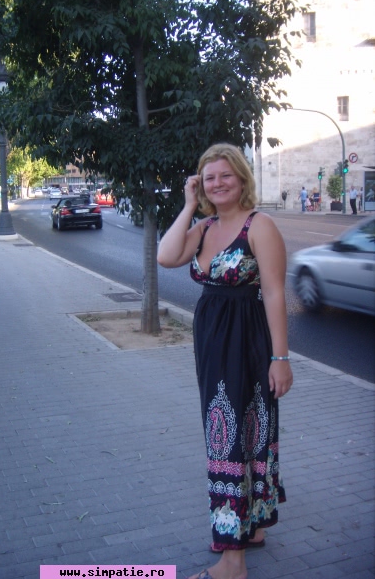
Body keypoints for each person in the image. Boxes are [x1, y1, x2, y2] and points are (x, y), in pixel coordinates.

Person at [158, 143, 293, 579]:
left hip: (246, 343)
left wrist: (280, 358)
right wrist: (188, 206)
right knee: (240, 435)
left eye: (225, 176)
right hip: (213, 345)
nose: (218, 184)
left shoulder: (260, 225)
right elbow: (166, 256)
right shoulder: (203, 227)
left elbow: (275, 293)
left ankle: (232, 561)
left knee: (234, 440)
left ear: (241, 178)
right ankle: (252, 527)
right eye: (209, 178)